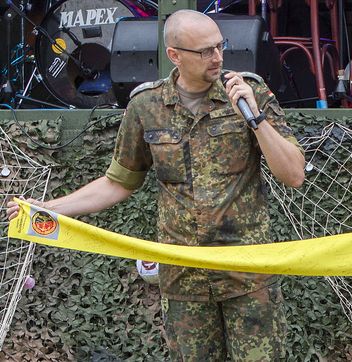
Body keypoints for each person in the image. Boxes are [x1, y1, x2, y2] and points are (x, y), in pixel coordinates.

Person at [7, 10, 305, 361]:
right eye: (206, 51)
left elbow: (294, 175)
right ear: (174, 55)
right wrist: (48, 209)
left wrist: (255, 119)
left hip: (249, 277)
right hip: (184, 283)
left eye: (220, 46)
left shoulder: (249, 93)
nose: (218, 57)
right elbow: (117, 183)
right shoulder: (146, 106)